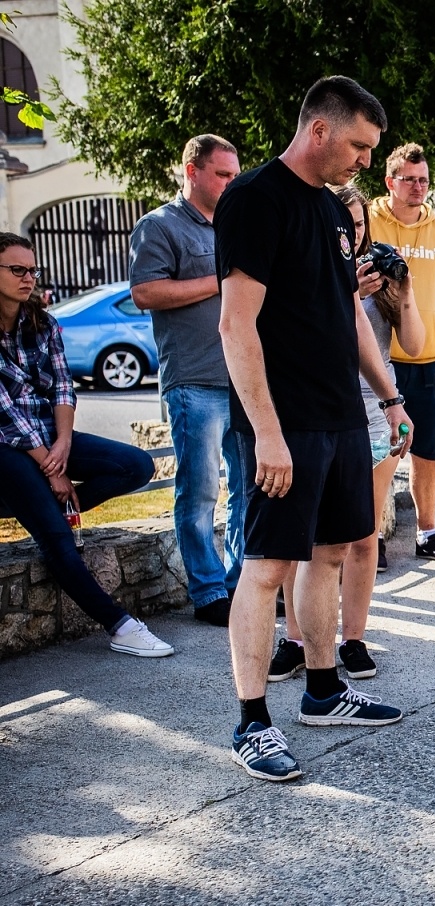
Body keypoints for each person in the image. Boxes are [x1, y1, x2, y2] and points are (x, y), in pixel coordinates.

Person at [216, 75, 414, 782]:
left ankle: (324, 691)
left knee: (331, 553)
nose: (365, 160)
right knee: (267, 566)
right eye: (360, 145)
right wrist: (266, 432)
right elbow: (236, 325)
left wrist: (389, 398)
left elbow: (347, 316)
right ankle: (251, 723)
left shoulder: (331, 210)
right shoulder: (254, 200)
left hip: (338, 416)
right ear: (321, 129)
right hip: (284, 421)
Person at [267, 184, 426, 684]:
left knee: (362, 533)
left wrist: (405, 292)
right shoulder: (314, 272)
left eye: (358, 224)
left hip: (376, 413)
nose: (352, 233)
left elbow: (416, 345)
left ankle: (352, 639)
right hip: (317, 412)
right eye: (344, 223)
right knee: (305, 537)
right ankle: (296, 640)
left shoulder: (381, 276)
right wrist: (348, 293)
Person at [0, 232, 172, 657]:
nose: (28, 279)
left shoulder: (42, 322)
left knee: (134, 465)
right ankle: (120, 626)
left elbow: (62, 389)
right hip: (6, 445)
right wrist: (51, 466)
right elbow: (3, 412)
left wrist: (61, 444)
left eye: (32, 270)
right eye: (17, 270)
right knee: (56, 537)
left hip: (47, 437)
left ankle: (46, 508)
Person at [128, 133, 245, 627]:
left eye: (235, 175)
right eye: (222, 174)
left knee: (254, 488)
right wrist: (218, 280)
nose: (230, 183)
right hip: (194, 381)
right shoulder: (159, 226)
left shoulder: (240, 224)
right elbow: (145, 292)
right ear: (191, 171)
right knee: (199, 491)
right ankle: (209, 592)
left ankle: (245, 585)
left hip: (247, 379)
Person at [368, 143, 435, 563]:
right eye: (408, 179)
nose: (417, 187)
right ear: (390, 180)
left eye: (423, 180)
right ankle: (369, 540)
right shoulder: (368, 222)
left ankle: (428, 533)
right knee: (381, 458)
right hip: (379, 366)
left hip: (430, 366)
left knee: (426, 454)